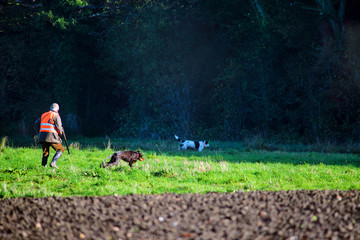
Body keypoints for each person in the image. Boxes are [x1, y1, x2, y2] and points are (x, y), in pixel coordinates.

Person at [34, 103, 64, 169]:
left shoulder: (43, 115)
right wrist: (60, 134)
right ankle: (53, 162)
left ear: (50, 108)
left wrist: (39, 133)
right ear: (57, 109)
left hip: (42, 136)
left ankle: (43, 168)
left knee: (45, 152)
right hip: (52, 136)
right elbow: (59, 127)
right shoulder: (56, 115)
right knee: (60, 149)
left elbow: (36, 124)